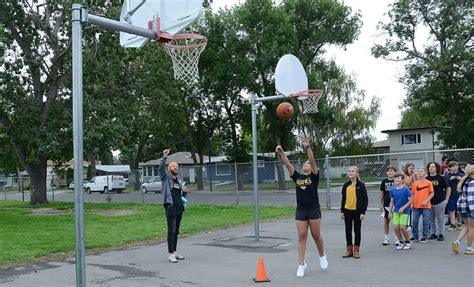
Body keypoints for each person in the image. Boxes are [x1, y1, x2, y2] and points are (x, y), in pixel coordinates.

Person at [275, 138, 328, 277]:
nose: (306, 164)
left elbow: (313, 161)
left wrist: (308, 147)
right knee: (301, 236)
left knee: (316, 235)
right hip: (301, 210)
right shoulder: (297, 176)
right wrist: (281, 153)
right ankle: (301, 265)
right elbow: (287, 165)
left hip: (314, 209)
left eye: (308, 164)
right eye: (304, 163)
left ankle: (322, 256)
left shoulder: (314, 176)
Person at [160, 149, 186, 263]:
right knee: (171, 231)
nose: (176, 167)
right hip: (170, 207)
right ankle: (170, 254)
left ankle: (175, 252)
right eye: (173, 166)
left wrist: (185, 191)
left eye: (177, 166)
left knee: (176, 232)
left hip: (179, 208)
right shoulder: (166, 178)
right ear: (169, 169)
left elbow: (181, 195)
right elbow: (161, 169)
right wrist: (164, 157)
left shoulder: (178, 181)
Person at [340, 166, 368, 259]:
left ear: (357, 173)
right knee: (348, 230)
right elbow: (343, 199)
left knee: (357, 230)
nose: (350, 172)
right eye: (349, 171)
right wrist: (342, 211)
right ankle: (349, 250)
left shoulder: (361, 185)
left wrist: (363, 212)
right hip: (347, 210)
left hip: (357, 211)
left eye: (353, 171)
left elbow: (365, 200)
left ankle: (356, 250)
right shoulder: (346, 185)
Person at [451, 164, 474, 255]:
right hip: (469, 207)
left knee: (466, 226)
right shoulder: (472, 182)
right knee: (472, 228)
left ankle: (457, 242)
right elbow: (471, 197)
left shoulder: (465, 181)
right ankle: (469, 248)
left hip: (462, 206)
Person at [426, 162, 450, 241]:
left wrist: (446, 200)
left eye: (433, 167)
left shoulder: (441, 178)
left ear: (436, 168)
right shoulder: (426, 179)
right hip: (429, 202)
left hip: (439, 201)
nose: (431, 168)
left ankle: (441, 234)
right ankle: (434, 233)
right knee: (431, 219)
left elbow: (448, 188)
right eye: (430, 167)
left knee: (440, 219)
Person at [388, 173, 413, 250]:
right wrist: (390, 212)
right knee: (396, 227)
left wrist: (403, 207)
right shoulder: (392, 190)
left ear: (402, 180)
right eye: (395, 178)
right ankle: (401, 242)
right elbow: (392, 201)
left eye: (398, 178)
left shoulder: (406, 189)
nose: (396, 179)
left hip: (405, 211)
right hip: (396, 211)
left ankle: (408, 242)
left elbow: (411, 200)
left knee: (402, 227)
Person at [410, 167, 434, 242]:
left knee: (426, 221)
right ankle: (415, 236)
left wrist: (426, 201)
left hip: (425, 206)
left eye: (421, 171)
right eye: (418, 171)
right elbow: (413, 195)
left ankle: (425, 236)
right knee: (414, 221)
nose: (420, 172)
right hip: (416, 206)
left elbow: (432, 193)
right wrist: (411, 203)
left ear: (425, 173)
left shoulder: (428, 183)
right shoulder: (415, 183)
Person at [445, 161, 465, 231]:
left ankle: (459, 223)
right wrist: (450, 179)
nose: (455, 168)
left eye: (456, 166)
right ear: (449, 168)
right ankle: (452, 224)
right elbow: (444, 184)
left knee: (459, 210)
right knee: (452, 210)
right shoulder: (447, 175)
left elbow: (465, 183)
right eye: (453, 166)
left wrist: (461, 180)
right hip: (451, 196)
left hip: (460, 195)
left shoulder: (461, 174)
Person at [379, 166, 396, 246]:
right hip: (386, 204)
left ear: (395, 172)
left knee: (396, 223)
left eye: (392, 171)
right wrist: (381, 204)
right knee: (386, 221)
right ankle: (386, 238)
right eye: (388, 171)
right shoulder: (384, 181)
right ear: (386, 173)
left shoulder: (397, 180)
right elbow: (382, 193)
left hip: (396, 204)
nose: (390, 172)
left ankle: (397, 238)